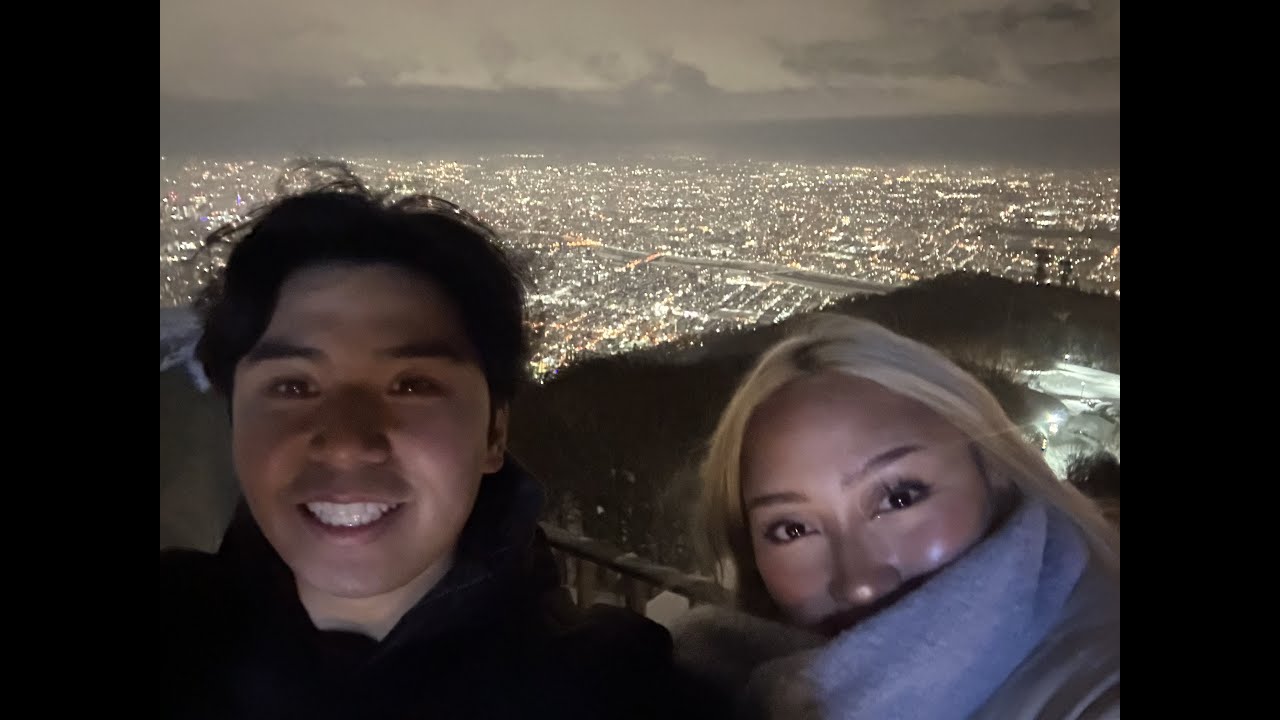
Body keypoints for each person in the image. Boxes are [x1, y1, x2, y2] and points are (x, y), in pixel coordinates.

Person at [160, 162, 681, 720]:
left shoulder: (622, 694)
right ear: (235, 422)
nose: (347, 443)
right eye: (293, 386)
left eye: (412, 385)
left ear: (494, 432)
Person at [672, 314, 1120, 720]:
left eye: (900, 498)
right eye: (793, 529)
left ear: (994, 471)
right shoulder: (730, 673)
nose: (859, 584)